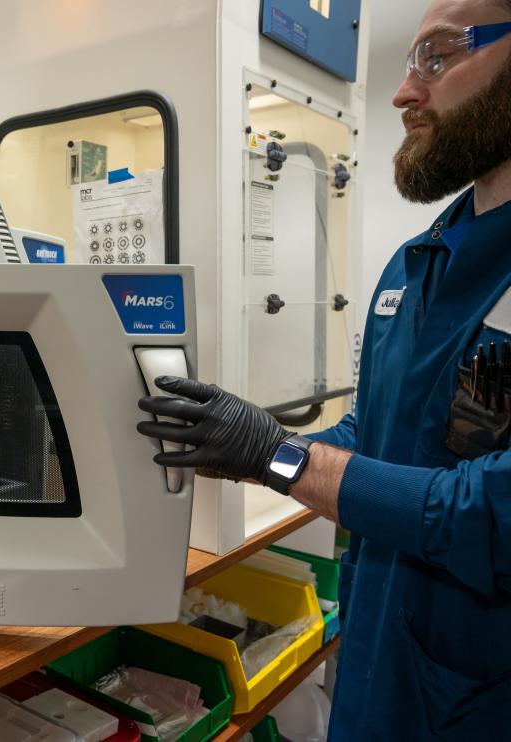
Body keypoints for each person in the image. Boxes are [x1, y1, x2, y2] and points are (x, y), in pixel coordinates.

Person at [137, 0, 511, 738]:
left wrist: (272, 454)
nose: (405, 93)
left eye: (438, 57)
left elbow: (489, 514)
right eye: (408, 64)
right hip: (374, 677)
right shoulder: (416, 265)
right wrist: (246, 443)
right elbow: (372, 434)